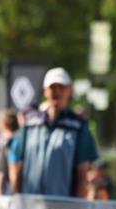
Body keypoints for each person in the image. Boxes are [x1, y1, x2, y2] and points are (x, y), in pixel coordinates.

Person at [8, 67, 99, 197]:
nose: (57, 92)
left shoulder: (78, 127)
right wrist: (17, 199)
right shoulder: (30, 124)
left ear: (69, 90)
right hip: (31, 205)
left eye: (61, 87)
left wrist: (78, 208)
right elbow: (17, 164)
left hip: (62, 207)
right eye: (52, 88)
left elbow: (82, 174)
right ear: (45, 91)